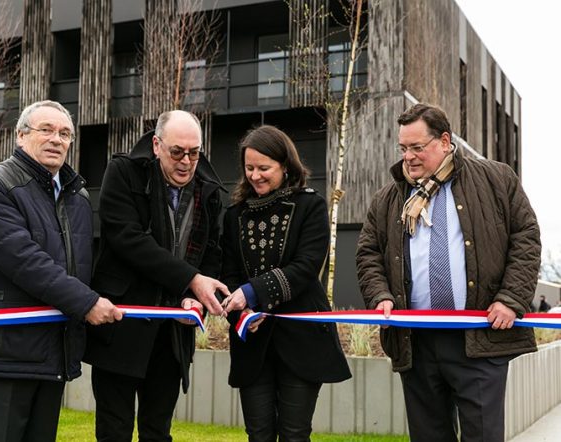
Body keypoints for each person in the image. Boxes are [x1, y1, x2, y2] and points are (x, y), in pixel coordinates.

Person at [355, 103, 541, 442]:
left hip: (480, 339)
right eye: (402, 148)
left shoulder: (497, 179)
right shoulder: (388, 199)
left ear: (444, 140)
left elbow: (526, 239)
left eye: (416, 147)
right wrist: (380, 296)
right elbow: (368, 254)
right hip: (416, 343)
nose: (407, 157)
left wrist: (511, 299)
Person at [0, 100, 123, 442]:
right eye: (47, 130)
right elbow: (24, 260)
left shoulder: (78, 196)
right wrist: (87, 303)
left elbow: (83, 268)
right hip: (8, 351)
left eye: (65, 133)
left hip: (55, 350)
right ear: (21, 136)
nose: (57, 139)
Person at [83, 110, 229, 442]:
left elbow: (212, 253)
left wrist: (196, 298)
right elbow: (127, 239)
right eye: (177, 152)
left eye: (195, 152)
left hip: (172, 336)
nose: (187, 161)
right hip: (121, 326)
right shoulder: (123, 172)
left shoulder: (210, 189)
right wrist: (192, 279)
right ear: (156, 145)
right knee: (114, 430)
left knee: (157, 431)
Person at [221, 125, 351, 441]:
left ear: (285, 165)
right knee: (258, 434)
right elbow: (228, 276)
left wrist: (253, 294)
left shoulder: (311, 206)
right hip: (252, 344)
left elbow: (306, 267)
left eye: (264, 168)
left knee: (295, 434)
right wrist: (240, 315)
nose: (255, 175)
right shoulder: (234, 215)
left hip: (302, 341)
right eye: (249, 168)